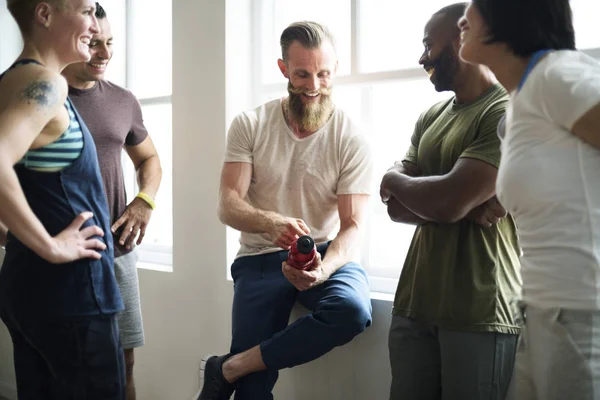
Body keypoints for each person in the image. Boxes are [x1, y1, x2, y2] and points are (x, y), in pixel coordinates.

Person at [198, 21, 373, 400]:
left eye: (323, 74)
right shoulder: (250, 124)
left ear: (335, 69)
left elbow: (354, 225)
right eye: (302, 74)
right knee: (253, 393)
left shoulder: (351, 137)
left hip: (325, 252)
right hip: (260, 257)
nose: (313, 85)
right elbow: (227, 204)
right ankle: (242, 375)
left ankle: (230, 366)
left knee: (352, 311)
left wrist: (323, 270)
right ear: (284, 70)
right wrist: (269, 221)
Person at [379, 3, 522, 399]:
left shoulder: (506, 111)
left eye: (428, 44)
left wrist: (399, 179)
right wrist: (455, 199)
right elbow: (395, 206)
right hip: (414, 304)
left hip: (479, 311)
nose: (422, 56)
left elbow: (445, 203)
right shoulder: (430, 116)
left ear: (462, 37)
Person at [458, 1, 600, 398]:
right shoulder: (521, 101)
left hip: (581, 312)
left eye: (474, 6)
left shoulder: (556, 74)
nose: (462, 18)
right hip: (542, 314)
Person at [0, 0, 125, 399]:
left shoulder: (10, 81)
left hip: (28, 289)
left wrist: (14, 234)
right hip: (72, 297)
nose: (94, 23)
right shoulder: (48, 85)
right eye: (87, 10)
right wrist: (51, 246)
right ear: (44, 14)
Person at [61, 3, 162, 399]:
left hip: (117, 254)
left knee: (123, 363)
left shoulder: (123, 101)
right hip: (61, 257)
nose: (104, 54)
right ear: (73, 39)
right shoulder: (40, 96)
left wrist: (143, 201)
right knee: (67, 366)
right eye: (93, 43)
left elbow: (150, 158)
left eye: (109, 43)